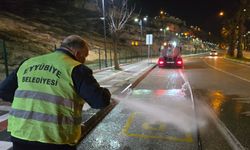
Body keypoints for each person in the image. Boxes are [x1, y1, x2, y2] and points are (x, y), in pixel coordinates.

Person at [0, 35, 111, 150]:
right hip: (55, 138)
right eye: (85, 56)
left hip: (21, 134)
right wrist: (106, 93)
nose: (84, 60)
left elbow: (3, 91)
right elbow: (99, 101)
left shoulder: (28, 63)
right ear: (78, 53)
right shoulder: (76, 69)